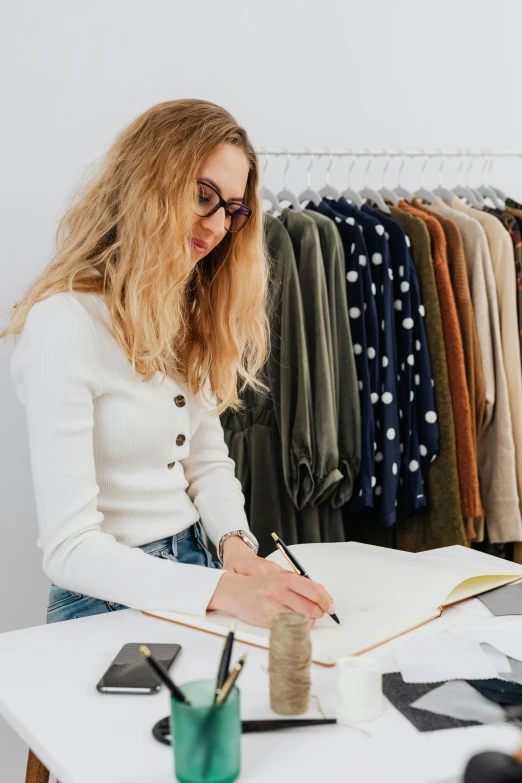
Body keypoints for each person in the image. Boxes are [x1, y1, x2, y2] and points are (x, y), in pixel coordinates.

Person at [2, 98, 335, 628]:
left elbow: (207, 461)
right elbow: (70, 549)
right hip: (107, 601)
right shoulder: (63, 321)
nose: (219, 225)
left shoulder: (185, 311)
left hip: (200, 569)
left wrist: (238, 549)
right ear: (146, 182)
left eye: (232, 209)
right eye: (204, 195)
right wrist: (224, 590)